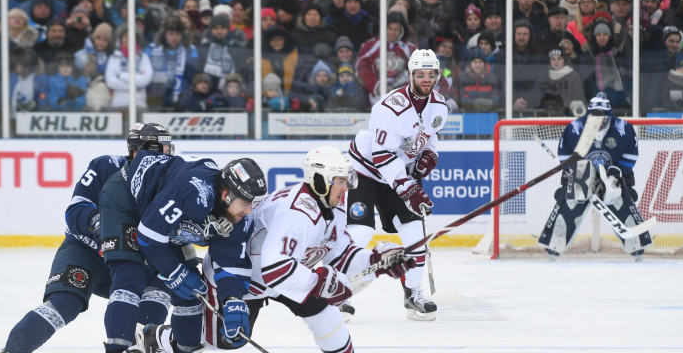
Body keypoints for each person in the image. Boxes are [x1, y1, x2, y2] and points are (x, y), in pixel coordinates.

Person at [139, 146, 415, 352]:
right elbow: (274, 268)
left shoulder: (335, 203)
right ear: (320, 181)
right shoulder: (297, 214)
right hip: (242, 278)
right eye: (340, 181)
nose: (347, 188)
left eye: (346, 180)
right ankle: (159, 338)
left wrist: (377, 259)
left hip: (292, 275)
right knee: (222, 342)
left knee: (326, 318)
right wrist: (320, 282)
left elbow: (339, 252)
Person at [0, 123, 175, 353]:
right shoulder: (105, 166)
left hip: (132, 259)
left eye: (168, 148)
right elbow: (76, 209)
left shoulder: (171, 179)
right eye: (161, 148)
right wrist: (100, 224)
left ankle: (138, 347)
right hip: (87, 252)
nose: (168, 154)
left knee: (160, 290)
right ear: (137, 151)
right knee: (63, 304)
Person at [99, 142, 267, 353]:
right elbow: (149, 237)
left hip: (166, 223)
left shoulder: (240, 218)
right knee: (129, 276)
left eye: (253, 204)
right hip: (127, 199)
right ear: (227, 195)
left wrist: (233, 300)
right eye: (245, 203)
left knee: (190, 297)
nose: (249, 212)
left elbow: (231, 263)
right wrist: (175, 272)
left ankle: (183, 348)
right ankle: (119, 348)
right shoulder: (194, 191)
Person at [346, 48, 448, 321]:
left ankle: (413, 293)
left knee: (415, 233)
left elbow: (431, 135)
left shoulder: (439, 105)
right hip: (366, 171)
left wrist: (430, 154)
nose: (426, 78)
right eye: (421, 74)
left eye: (431, 74)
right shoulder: (388, 107)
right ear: (411, 75)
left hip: (398, 174)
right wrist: (409, 188)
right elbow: (381, 155)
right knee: (359, 235)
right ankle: (338, 295)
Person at [538, 93, 652, 261]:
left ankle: (636, 246)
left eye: (603, 118)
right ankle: (554, 245)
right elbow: (564, 154)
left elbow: (631, 154)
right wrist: (575, 168)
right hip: (582, 171)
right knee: (573, 198)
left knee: (618, 197)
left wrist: (615, 172)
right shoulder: (575, 128)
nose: (600, 122)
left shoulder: (623, 128)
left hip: (613, 172)